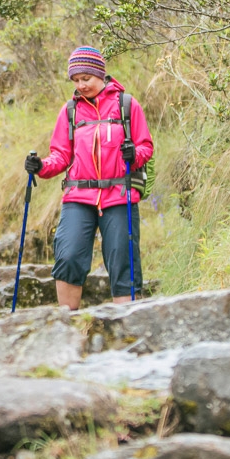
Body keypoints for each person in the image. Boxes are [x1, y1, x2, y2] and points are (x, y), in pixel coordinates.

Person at [24, 46, 153, 309]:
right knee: (68, 255)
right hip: (78, 196)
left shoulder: (127, 105)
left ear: (100, 74)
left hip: (119, 195)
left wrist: (134, 154)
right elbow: (61, 155)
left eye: (86, 78)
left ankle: (127, 325)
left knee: (123, 261)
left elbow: (145, 147)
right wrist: (40, 166)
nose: (81, 85)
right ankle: (68, 324)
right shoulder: (70, 111)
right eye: (76, 80)